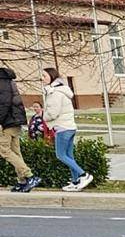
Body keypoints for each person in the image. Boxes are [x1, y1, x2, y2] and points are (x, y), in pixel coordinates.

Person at [42, 68, 91, 192]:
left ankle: (83, 175)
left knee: (61, 155)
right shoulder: (62, 90)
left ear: (52, 77)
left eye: (44, 76)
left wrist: (44, 116)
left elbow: (53, 113)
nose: (42, 78)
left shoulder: (55, 93)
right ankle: (75, 182)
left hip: (62, 128)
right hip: (69, 127)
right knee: (69, 156)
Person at [0, 64, 39, 192]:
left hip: (7, 122)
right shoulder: (7, 80)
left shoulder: (2, 81)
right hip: (13, 121)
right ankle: (23, 181)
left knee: (4, 151)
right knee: (15, 152)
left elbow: (4, 104)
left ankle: (29, 176)